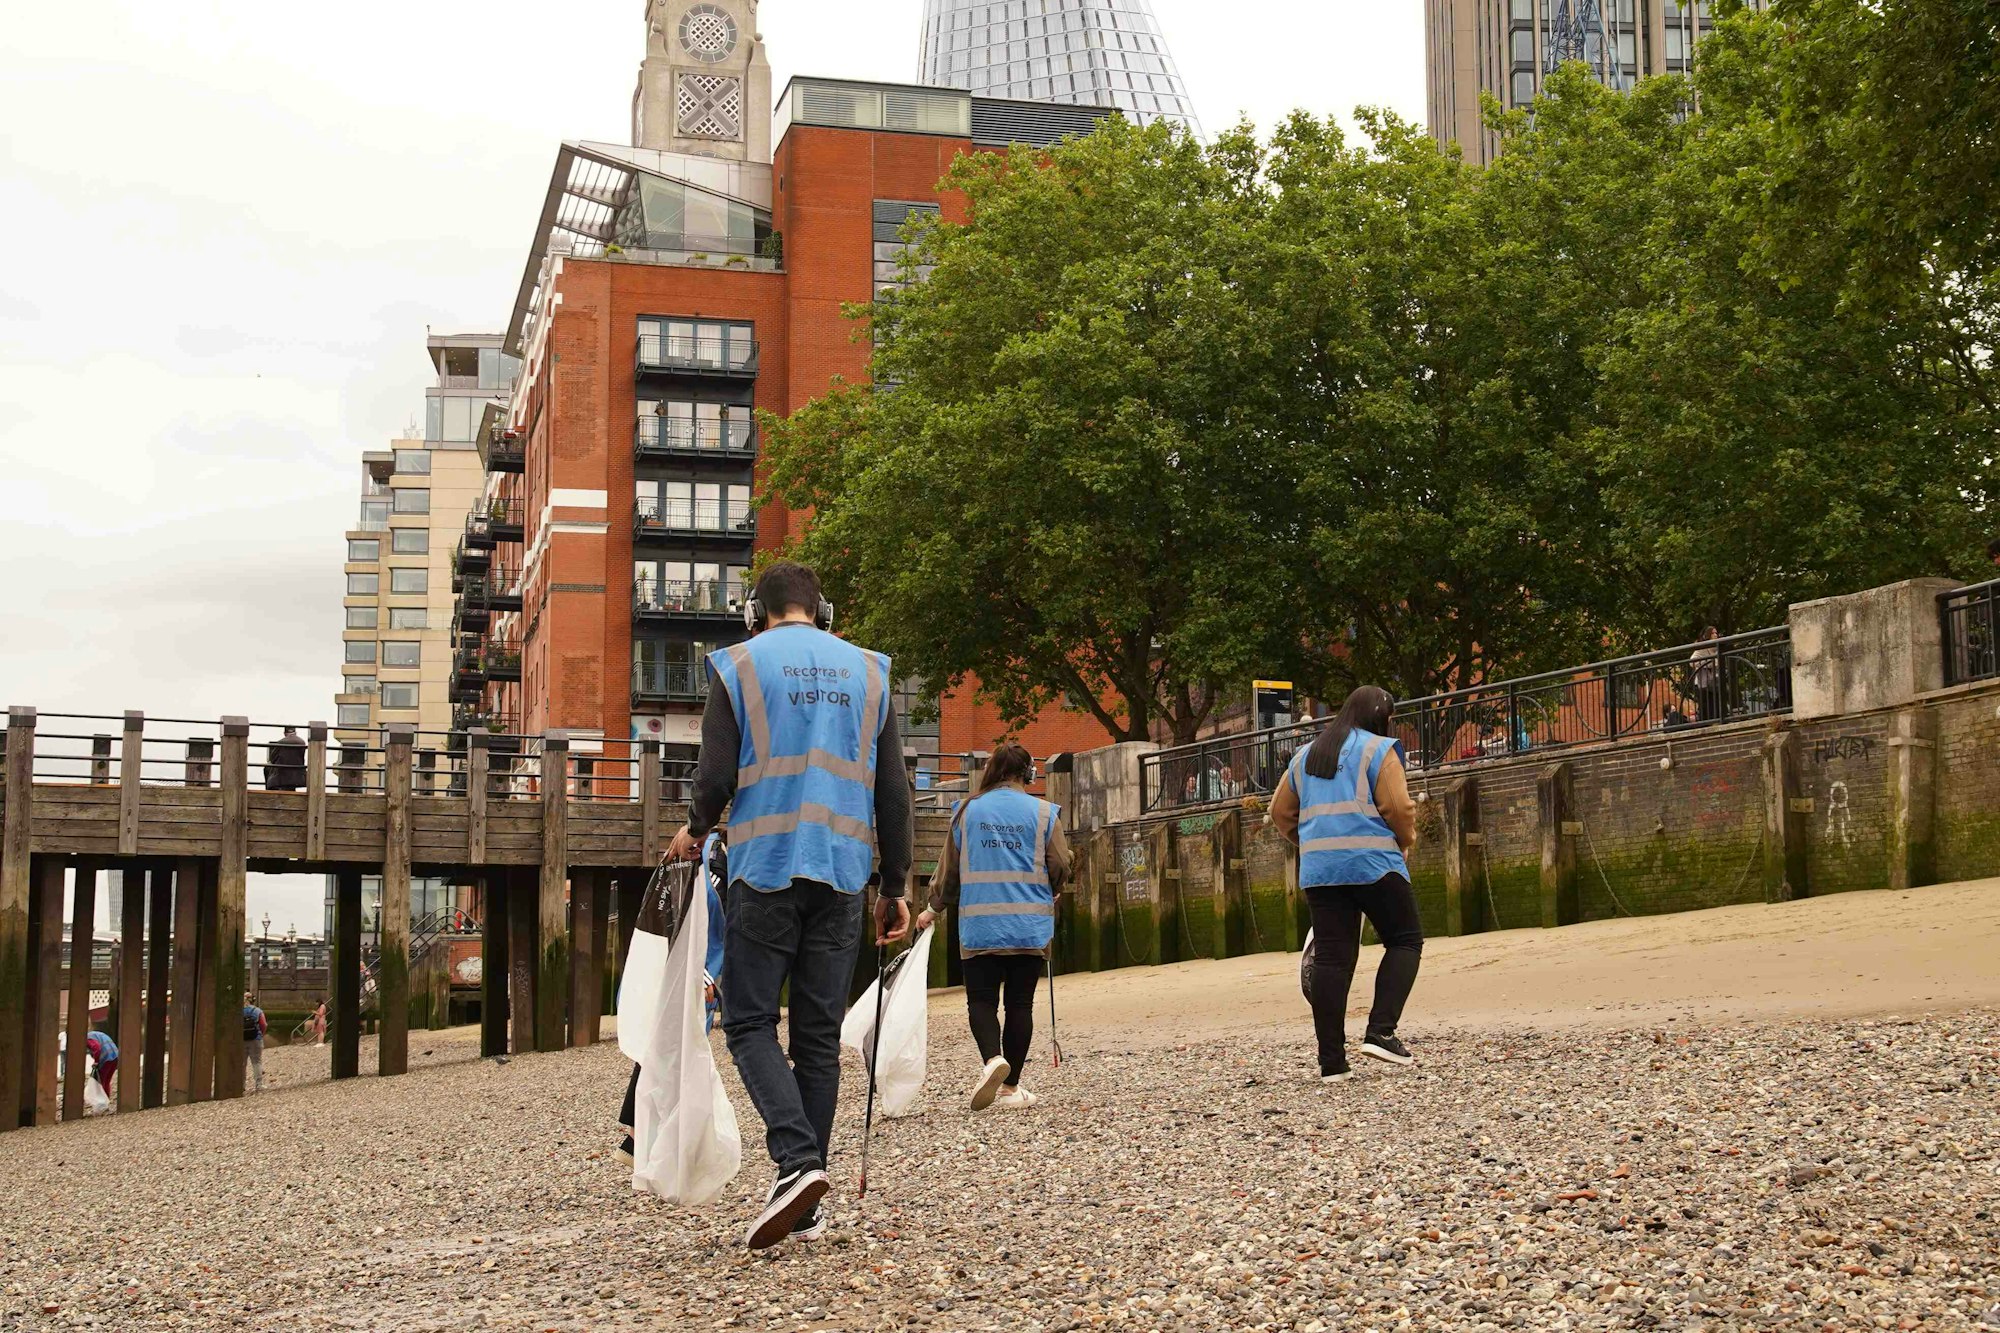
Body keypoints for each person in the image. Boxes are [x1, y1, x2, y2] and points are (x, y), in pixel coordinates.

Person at [667, 560, 914, 1251]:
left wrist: (695, 824)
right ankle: (805, 1198)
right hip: (841, 872)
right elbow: (891, 789)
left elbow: (715, 775)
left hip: (767, 866)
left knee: (747, 1022)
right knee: (815, 1037)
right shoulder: (869, 672)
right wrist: (894, 883)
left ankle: (797, 1160)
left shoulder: (739, 665)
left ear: (757, 612)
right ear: (821, 610)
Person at [1271, 686, 1422, 1082]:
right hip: (1373, 863)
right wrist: (1405, 842)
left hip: (1321, 871)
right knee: (1405, 940)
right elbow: (1398, 807)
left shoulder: (1306, 755)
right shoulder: (1377, 749)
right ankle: (1380, 1032)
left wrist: (1312, 843)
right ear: (1381, 716)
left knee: (1333, 960)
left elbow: (1279, 811)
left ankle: (1332, 1063)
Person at [917, 741, 1069, 1111]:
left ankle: (991, 1060)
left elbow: (948, 872)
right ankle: (1011, 1088)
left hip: (980, 926)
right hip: (1028, 926)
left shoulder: (966, 811)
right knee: (1021, 1004)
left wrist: (931, 910)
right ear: (1028, 773)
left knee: (981, 1001)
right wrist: (1053, 888)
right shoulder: (1045, 812)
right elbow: (1061, 864)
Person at [617, 832, 727, 1166]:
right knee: (679, 1048)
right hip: (686, 968)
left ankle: (638, 1133)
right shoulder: (712, 857)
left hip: (672, 964)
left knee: (665, 1044)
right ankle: (647, 1136)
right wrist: (707, 975)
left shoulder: (694, 851)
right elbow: (715, 921)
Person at [1690, 627, 1723, 723]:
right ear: (1708, 635)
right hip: (1703, 682)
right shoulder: (1702, 648)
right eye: (1713, 633)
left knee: (1715, 702)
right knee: (1705, 704)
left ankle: (1716, 720)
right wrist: (1706, 664)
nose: (1716, 635)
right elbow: (1692, 661)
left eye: (1716, 633)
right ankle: (1705, 723)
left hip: (1713, 680)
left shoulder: (1716, 648)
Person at [266, 727, 308, 793]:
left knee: (267, 769)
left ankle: (269, 793)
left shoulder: (281, 742)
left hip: (282, 775)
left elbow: (272, 759)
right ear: (296, 733)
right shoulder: (302, 742)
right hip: (298, 775)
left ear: (284, 733)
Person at [242, 993, 269, 1092]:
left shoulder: (238, 1011)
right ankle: (258, 1085)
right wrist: (260, 1034)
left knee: (242, 1063)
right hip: (256, 1039)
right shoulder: (257, 1011)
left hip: (241, 1040)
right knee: (256, 1062)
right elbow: (264, 1024)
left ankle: (241, 1085)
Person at [84, 1031, 118, 1107]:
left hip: (106, 1058)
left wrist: (96, 1061)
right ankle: (106, 1102)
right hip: (115, 1056)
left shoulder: (87, 1038)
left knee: (100, 1082)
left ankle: (101, 1104)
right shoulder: (94, 1034)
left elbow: (97, 1048)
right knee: (106, 1081)